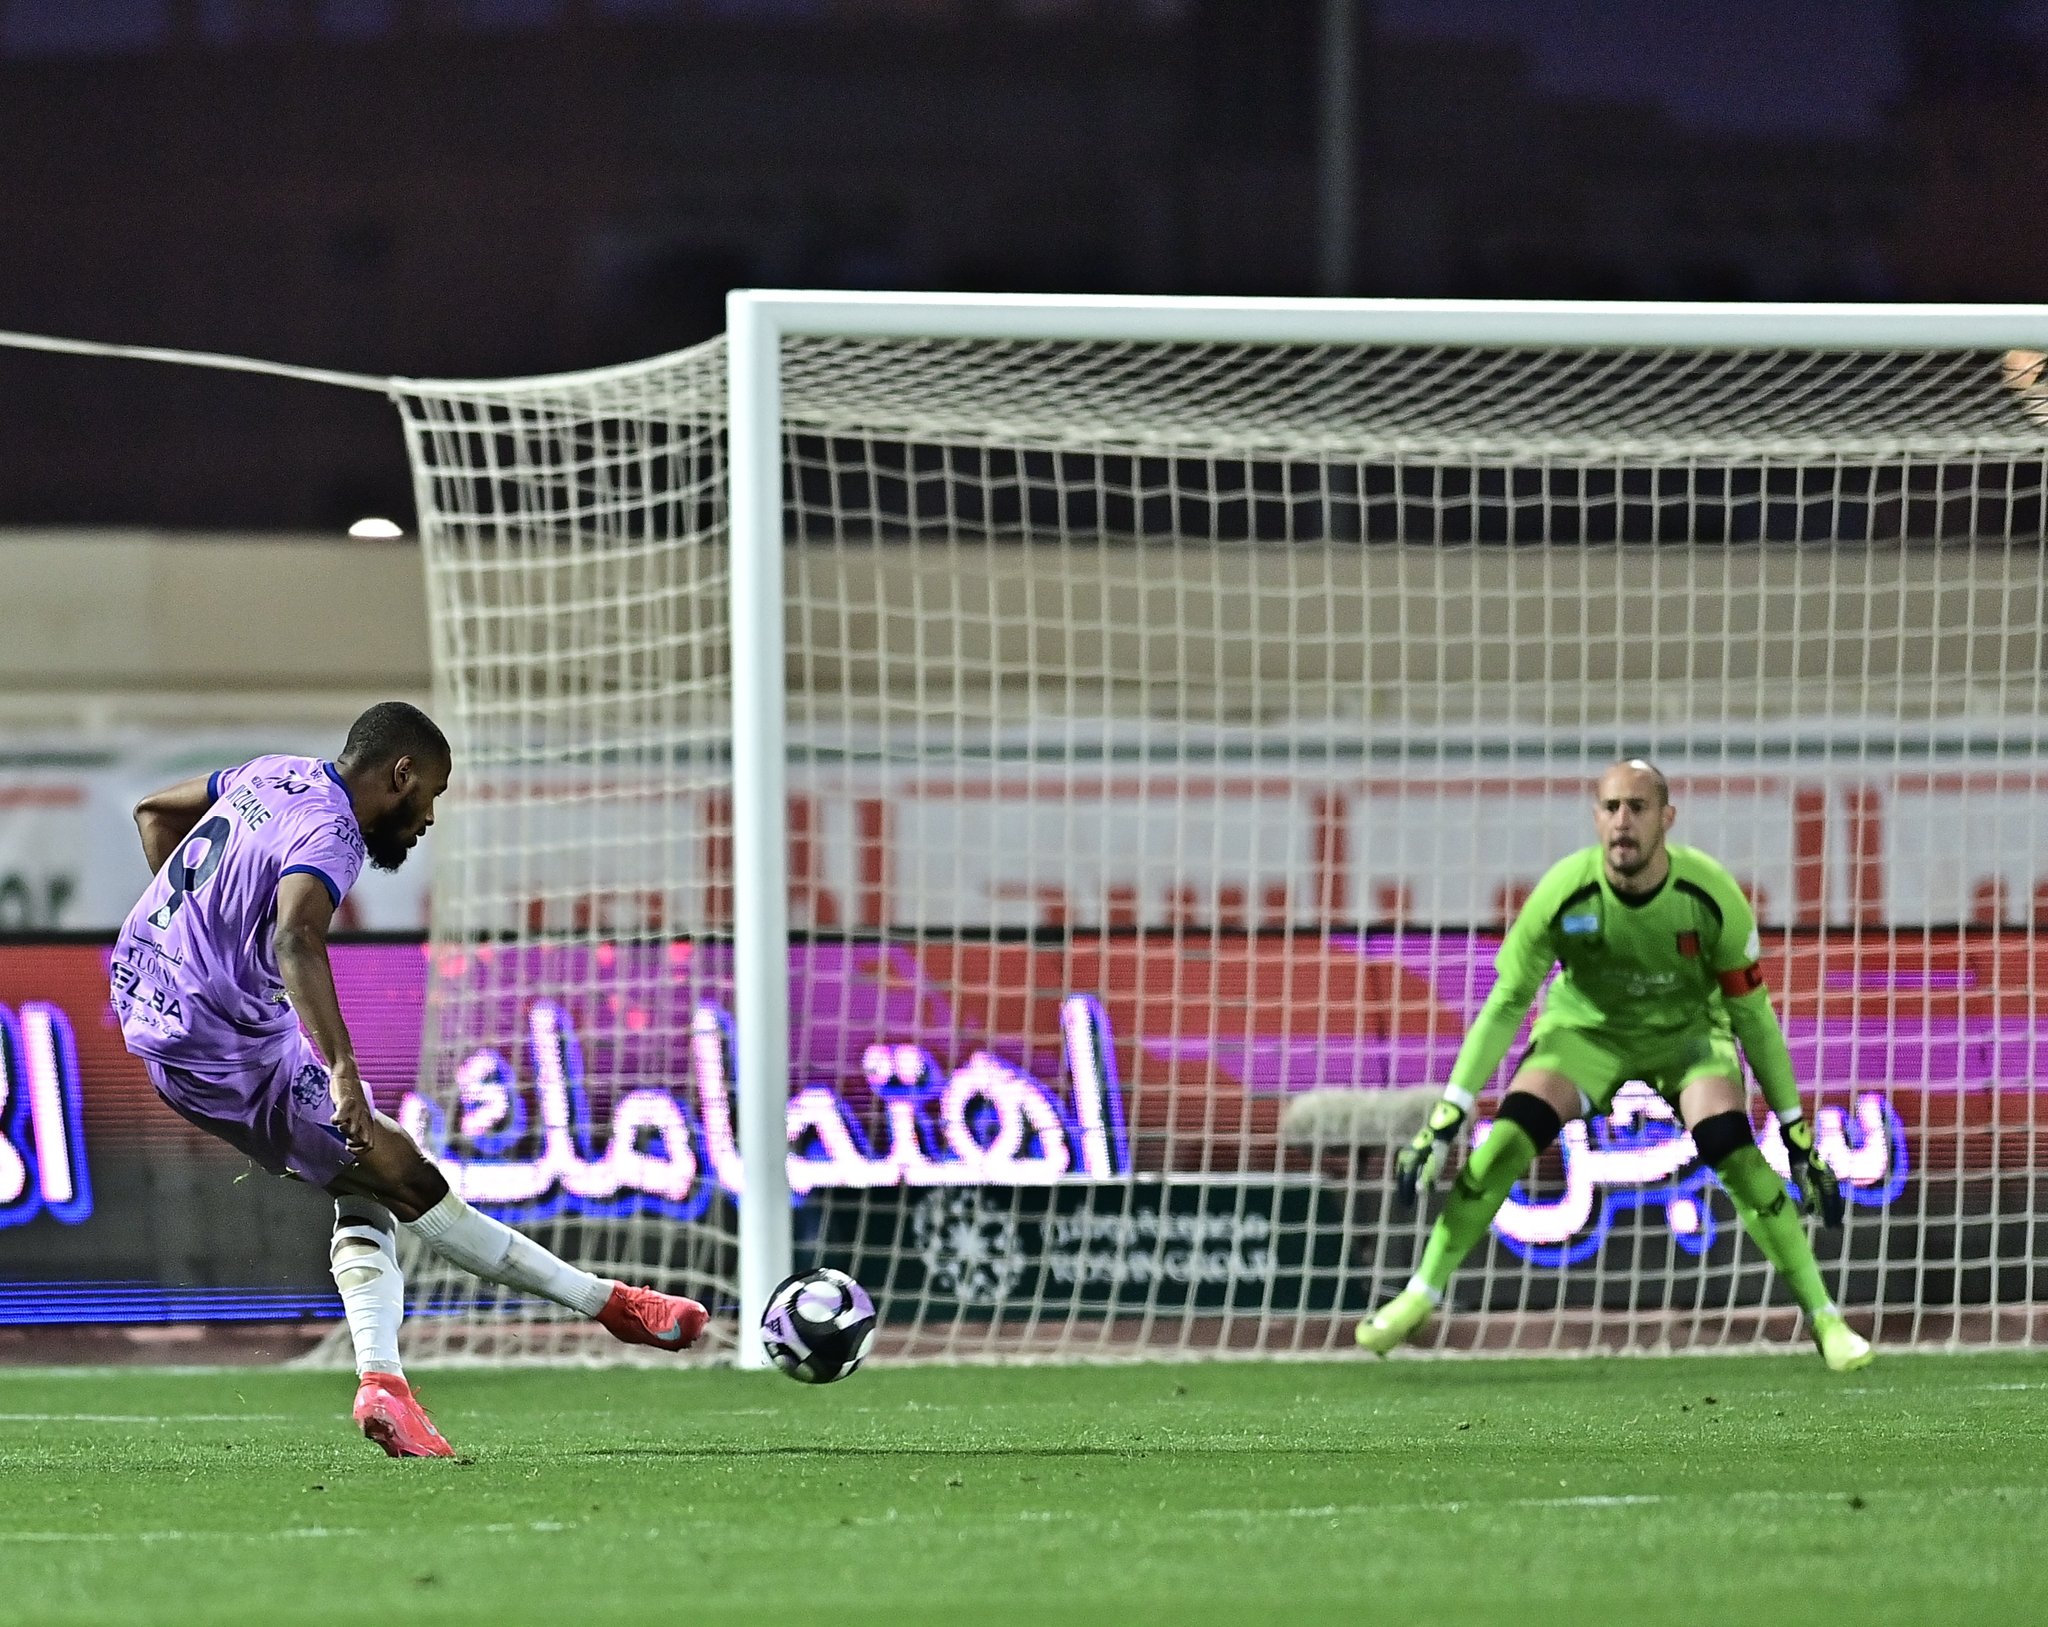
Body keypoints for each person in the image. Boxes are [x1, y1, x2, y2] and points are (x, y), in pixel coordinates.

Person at [111, 701, 707, 1457]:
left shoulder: (272, 774)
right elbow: (296, 937)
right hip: (219, 1047)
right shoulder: (332, 831)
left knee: (364, 1182)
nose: (428, 817)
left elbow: (154, 811)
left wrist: (201, 931)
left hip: (153, 996)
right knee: (409, 1179)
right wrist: (341, 1067)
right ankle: (611, 1305)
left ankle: (384, 1383)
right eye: (431, 793)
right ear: (401, 773)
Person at [1358, 759, 1873, 1373]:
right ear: (1596, 817)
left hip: (1687, 1038)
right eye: (1611, 808)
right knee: (1504, 1144)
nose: (1622, 821)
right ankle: (1419, 1296)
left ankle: (1824, 1318)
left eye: (1637, 807)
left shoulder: (1710, 896)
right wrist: (1449, 1115)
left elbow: (1754, 1018)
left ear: (1667, 818)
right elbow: (1505, 1004)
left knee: (1732, 1149)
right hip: (1586, 1034)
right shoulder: (1562, 892)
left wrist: (1794, 1132)